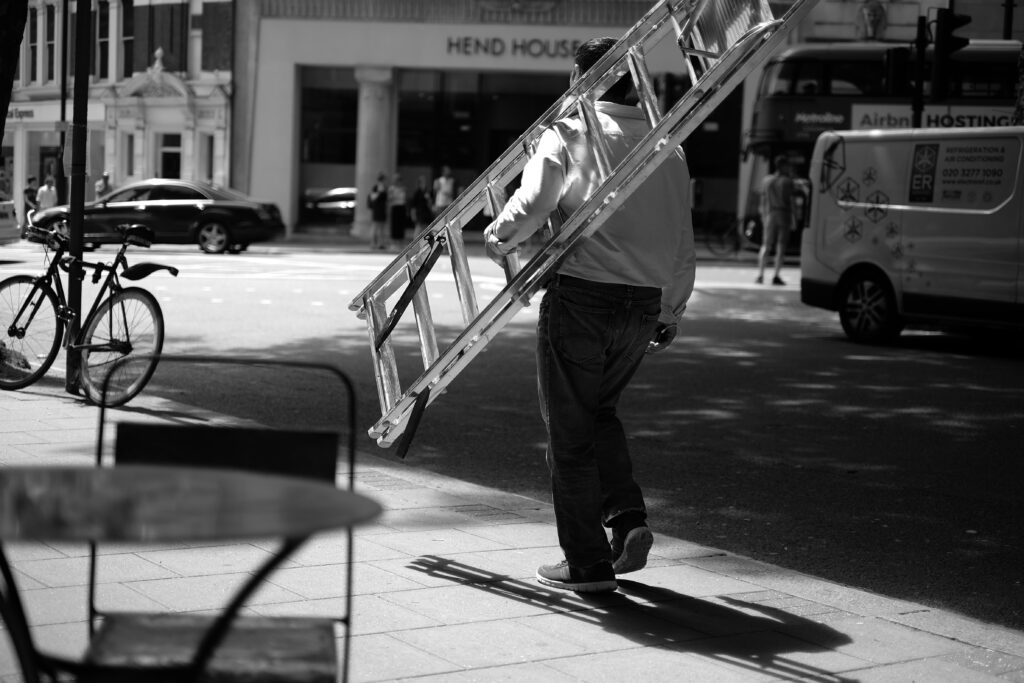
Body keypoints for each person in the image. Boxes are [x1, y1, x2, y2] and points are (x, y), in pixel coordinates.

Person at [483, 37, 696, 594]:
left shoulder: (572, 131)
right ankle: (626, 520)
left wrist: (499, 235)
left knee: (570, 432)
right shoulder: (667, 146)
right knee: (599, 413)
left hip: (583, 296)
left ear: (585, 79)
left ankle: (586, 563)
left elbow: (533, 204)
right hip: (643, 302)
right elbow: (682, 239)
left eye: (573, 76)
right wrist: (670, 308)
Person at [756, 154, 795, 286]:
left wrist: (763, 217)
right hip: (784, 214)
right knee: (781, 246)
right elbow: (791, 202)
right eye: (787, 165)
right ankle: (776, 275)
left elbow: (762, 201)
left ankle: (760, 275)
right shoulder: (788, 181)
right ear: (783, 166)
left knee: (766, 245)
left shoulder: (767, 180)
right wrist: (794, 219)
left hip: (770, 214)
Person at [368, 173, 389, 250]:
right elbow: (373, 198)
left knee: (382, 228)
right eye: (384, 180)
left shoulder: (384, 188)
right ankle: (373, 243)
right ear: (382, 180)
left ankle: (381, 243)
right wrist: (379, 192)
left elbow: (386, 200)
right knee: (375, 227)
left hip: (382, 210)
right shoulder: (376, 187)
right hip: (377, 210)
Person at [387, 173, 409, 249]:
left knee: (401, 225)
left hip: (401, 207)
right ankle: (394, 243)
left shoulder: (403, 188)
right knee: (394, 225)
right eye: (397, 180)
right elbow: (389, 198)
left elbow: (405, 199)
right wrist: (394, 195)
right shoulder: (392, 188)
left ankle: (400, 242)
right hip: (395, 207)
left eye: (399, 180)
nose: (398, 182)